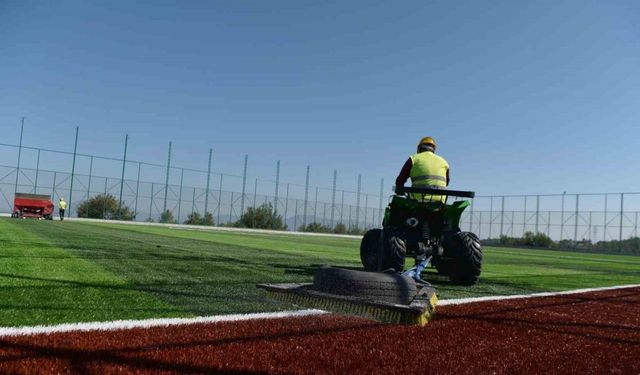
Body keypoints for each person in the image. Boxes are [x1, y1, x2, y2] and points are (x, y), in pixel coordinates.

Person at [395, 136, 449, 202]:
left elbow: (400, 180)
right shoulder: (444, 162)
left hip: (418, 200)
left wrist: (399, 190)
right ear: (433, 149)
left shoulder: (414, 159)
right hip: (440, 201)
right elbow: (446, 182)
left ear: (419, 148)